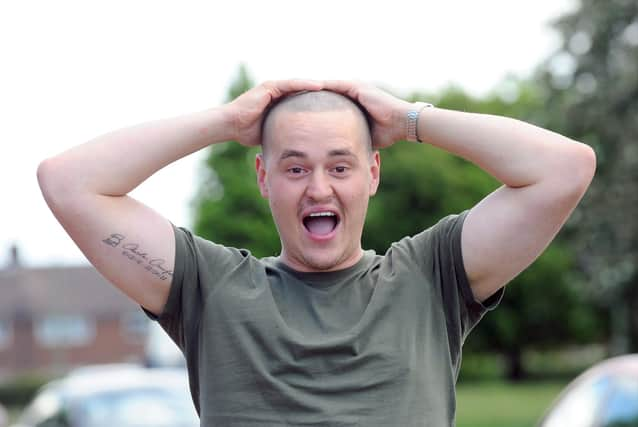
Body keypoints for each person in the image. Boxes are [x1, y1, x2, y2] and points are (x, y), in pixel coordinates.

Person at [37, 79, 596, 426]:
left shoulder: (432, 276)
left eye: (341, 165)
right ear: (263, 177)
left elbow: (564, 168)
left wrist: (408, 119)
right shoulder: (209, 288)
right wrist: (227, 121)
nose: (319, 188)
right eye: (296, 167)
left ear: (372, 173)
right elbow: (67, 182)